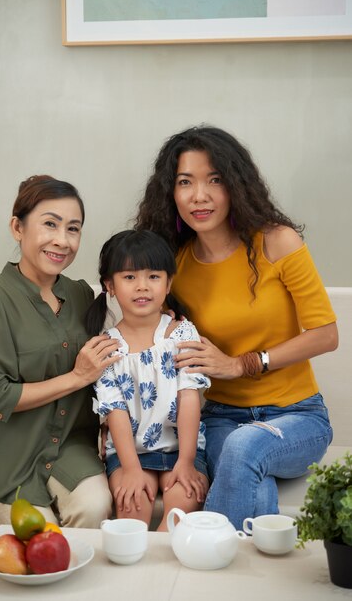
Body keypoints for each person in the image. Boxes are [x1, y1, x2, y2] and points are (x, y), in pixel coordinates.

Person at [134, 125, 338, 530]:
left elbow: (326, 335)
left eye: (215, 180)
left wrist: (241, 364)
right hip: (223, 418)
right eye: (185, 182)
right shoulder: (176, 267)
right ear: (171, 193)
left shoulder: (277, 242)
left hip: (297, 416)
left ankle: (207, 573)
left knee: (245, 447)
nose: (199, 196)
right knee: (248, 470)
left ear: (236, 186)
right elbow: (150, 343)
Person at [0, 175, 121, 528]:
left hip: (69, 447)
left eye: (73, 229)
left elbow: (108, 365)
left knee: (95, 508)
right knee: (42, 538)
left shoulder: (81, 295)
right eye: (50, 224)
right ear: (18, 227)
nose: (62, 241)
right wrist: (77, 376)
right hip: (4, 455)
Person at [85, 229, 210, 531]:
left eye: (153, 277)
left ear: (168, 283)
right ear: (109, 285)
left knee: (180, 510)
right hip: (129, 454)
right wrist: (129, 468)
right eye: (129, 277)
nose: (142, 286)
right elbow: (115, 412)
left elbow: (190, 397)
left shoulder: (181, 334)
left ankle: (163, 576)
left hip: (180, 449)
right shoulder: (106, 347)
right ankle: (135, 576)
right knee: (132, 512)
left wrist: (187, 460)